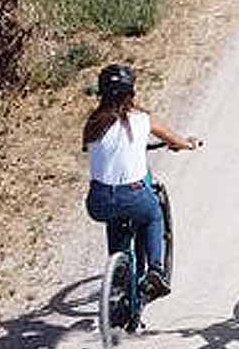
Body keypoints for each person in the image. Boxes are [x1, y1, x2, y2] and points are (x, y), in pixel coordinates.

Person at [83, 64, 201, 301]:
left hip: (97, 201)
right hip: (133, 195)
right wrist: (187, 143)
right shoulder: (141, 120)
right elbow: (174, 140)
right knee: (153, 214)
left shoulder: (93, 123)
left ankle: (118, 274)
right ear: (131, 93)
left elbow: (93, 149)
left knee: (114, 215)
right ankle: (156, 271)